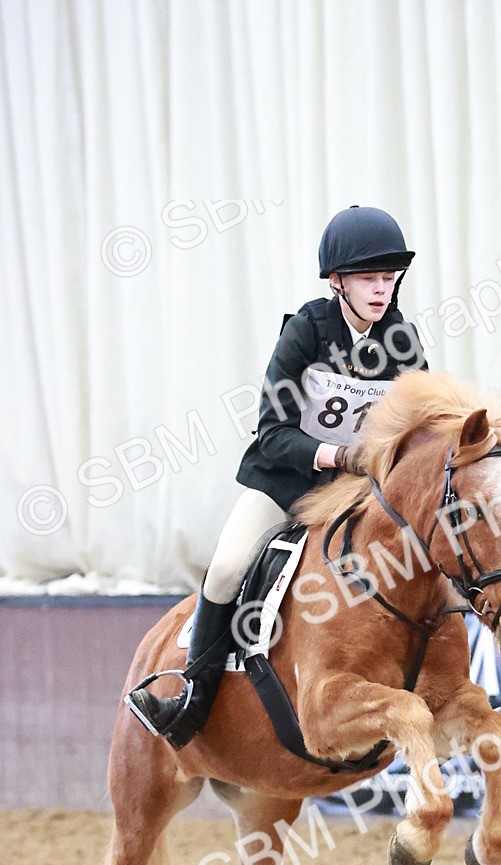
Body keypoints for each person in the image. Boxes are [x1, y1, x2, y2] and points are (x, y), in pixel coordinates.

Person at [126, 205, 427, 749]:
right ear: (338, 282)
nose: (381, 289)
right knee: (225, 569)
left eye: (389, 277)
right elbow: (272, 433)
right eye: (368, 279)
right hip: (287, 482)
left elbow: (422, 424)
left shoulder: (402, 339)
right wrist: (336, 456)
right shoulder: (306, 332)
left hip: (358, 496)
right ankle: (192, 699)